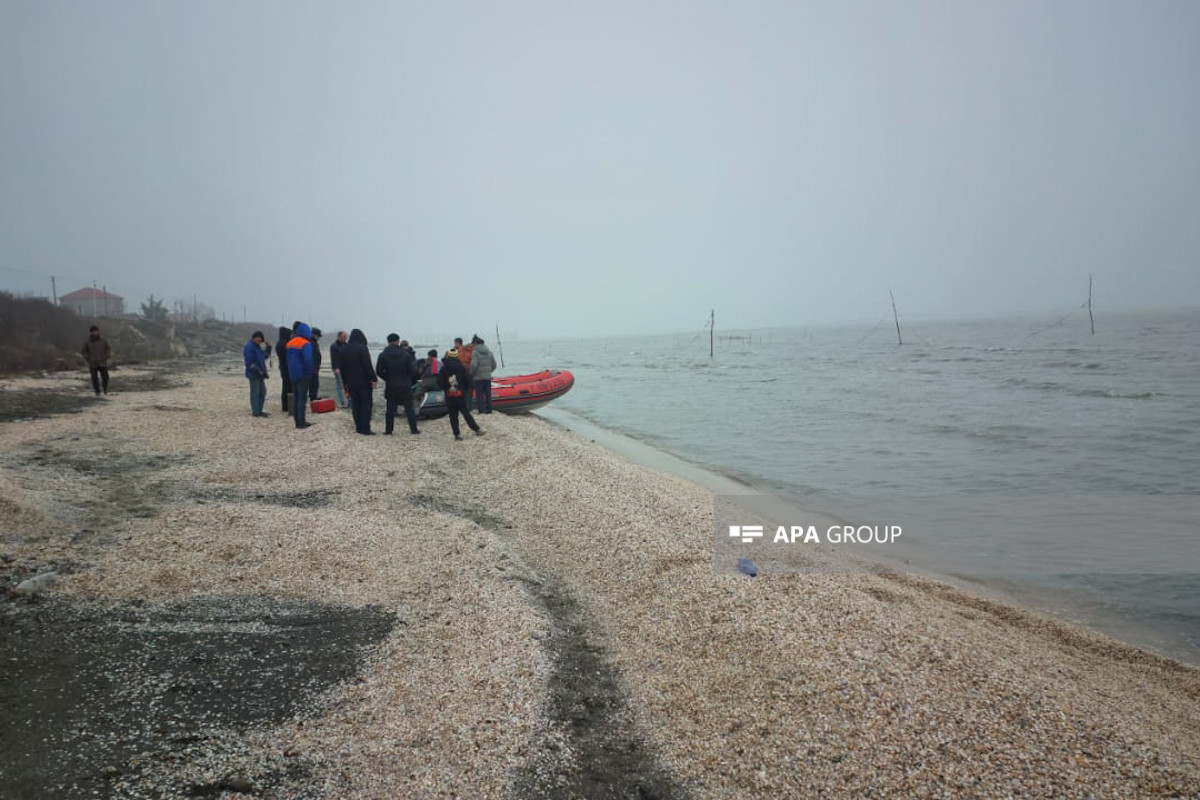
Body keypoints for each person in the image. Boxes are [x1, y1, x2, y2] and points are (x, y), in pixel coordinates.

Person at [375, 333, 420, 435]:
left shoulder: (383, 355)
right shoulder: (405, 355)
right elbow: (413, 371)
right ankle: (414, 429)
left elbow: (379, 371)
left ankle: (388, 430)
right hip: (405, 384)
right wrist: (408, 378)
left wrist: (387, 378)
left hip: (391, 384)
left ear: (388, 342)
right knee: (409, 408)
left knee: (390, 408)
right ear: (398, 341)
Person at [437, 348, 483, 440]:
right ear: (457, 356)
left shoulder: (443, 369)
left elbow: (440, 382)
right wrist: (467, 388)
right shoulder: (461, 368)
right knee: (466, 414)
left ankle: (457, 434)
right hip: (460, 395)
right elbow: (467, 380)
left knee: (453, 416)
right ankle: (476, 429)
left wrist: (447, 387)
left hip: (449, 395)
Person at [340, 328, 378, 435]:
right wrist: (374, 378)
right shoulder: (362, 348)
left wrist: (345, 382)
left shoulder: (344, 349)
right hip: (363, 382)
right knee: (366, 405)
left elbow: (342, 367)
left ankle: (358, 427)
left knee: (355, 405)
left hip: (351, 382)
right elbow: (367, 365)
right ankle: (365, 428)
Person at [285, 322, 317, 429]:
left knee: (296, 398)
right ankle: (302, 422)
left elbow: (287, 359)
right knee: (302, 399)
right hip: (303, 374)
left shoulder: (290, 343)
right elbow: (308, 359)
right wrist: (310, 372)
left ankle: (297, 421)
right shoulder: (305, 343)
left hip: (292, 374)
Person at [243, 331, 270, 417]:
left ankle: (259, 410)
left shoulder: (257, 347)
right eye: (258, 338)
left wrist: (268, 348)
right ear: (254, 338)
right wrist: (258, 370)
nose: (260, 340)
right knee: (255, 392)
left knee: (263, 392)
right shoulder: (249, 347)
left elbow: (264, 356)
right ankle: (256, 412)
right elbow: (248, 363)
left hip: (260, 374)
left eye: (261, 338)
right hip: (253, 374)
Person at [468, 334, 498, 413]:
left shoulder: (475, 353)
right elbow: (494, 365)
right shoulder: (490, 352)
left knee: (479, 395)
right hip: (487, 377)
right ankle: (489, 409)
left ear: (475, 343)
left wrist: (471, 373)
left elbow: (474, 365)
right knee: (488, 394)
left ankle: (481, 410)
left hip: (478, 377)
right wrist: (489, 371)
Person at [81, 325, 111, 396]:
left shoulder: (103, 341)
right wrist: (88, 358)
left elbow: (108, 348)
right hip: (92, 363)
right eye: (93, 332)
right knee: (94, 378)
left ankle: (105, 389)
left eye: (96, 331)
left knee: (105, 377)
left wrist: (106, 356)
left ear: (98, 332)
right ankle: (97, 392)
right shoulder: (88, 342)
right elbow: (83, 351)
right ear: (91, 332)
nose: (95, 333)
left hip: (102, 362)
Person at [330, 330, 349, 408]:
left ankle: (348, 401)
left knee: (347, 385)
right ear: (339, 337)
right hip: (338, 369)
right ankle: (342, 402)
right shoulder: (334, 346)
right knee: (340, 386)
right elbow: (334, 358)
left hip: (346, 369)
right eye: (343, 337)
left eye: (346, 337)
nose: (345, 338)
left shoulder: (346, 345)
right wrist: (336, 368)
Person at [275, 325, 292, 412]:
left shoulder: (279, 343)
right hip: (286, 367)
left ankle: (285, 406)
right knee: (288, 387)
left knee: (285, 386)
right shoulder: (285, 343)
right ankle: (288, 406)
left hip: (283, 367)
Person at [309, 328, 324, 402]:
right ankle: (313, 398)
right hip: (313, 367)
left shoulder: (313, 342)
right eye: (318, 336)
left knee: (315, 384)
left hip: (314, 367)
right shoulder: (312, 343)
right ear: (314, 335)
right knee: (314, 384)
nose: (319, 338)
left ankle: (313, 397)